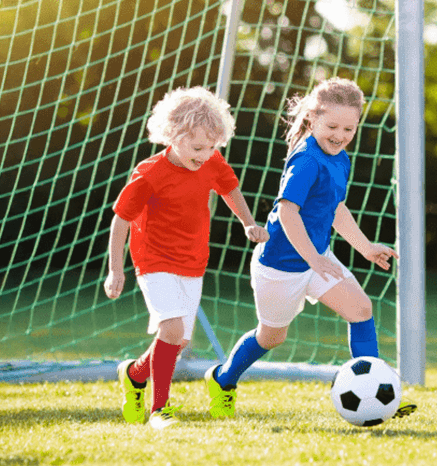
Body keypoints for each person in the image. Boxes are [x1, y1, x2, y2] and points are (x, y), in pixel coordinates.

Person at [203, 77, 417, 420]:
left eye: (349, 128)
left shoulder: (340, 157)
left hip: (317, 259)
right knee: (271, 337)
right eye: (332, 125)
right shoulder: (306, 159)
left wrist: (364, 247)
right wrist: (313, 259)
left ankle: (379, 395)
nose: (340, 134)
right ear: (313, 119)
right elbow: (288, 212)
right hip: (281, 266)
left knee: (361, 309)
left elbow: (336, 208)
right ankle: (223, 379)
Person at [103, 86, 269, 429]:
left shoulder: (211, 161)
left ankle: (134, 375)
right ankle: (159, 410)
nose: (206, 154)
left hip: (193, 262)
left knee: (178, 340)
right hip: (153, 260)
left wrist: (249, 222)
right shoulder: (149, 175)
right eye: (197, 147)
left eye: (212, 147)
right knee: (172, 327)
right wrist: (115, 271)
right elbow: (120, 219)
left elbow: (228, 187)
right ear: (173, 135)